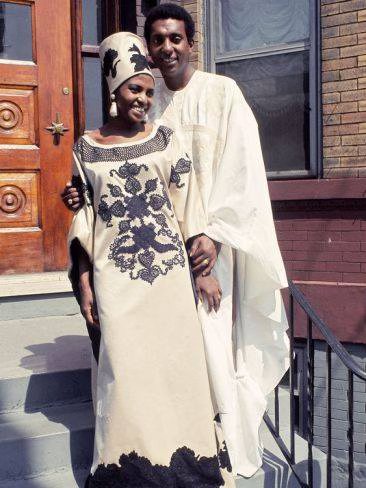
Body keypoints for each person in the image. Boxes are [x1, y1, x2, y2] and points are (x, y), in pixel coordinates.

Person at [63, 3, 290, 479]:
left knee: (205, 361)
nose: (167, 48)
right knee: (136, 371)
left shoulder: (222, 93)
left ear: (192, 43)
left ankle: (212, 452)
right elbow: (94, 197)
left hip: (208, 252)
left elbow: (240, 174)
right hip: (129, 273)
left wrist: (214, 244)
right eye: (158, 40)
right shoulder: (143, 99)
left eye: (176, 39)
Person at [68, 32, 234, 487]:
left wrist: (204, 273)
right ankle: (130, 470)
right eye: (133, 89)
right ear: (114, 91)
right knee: (125, 376)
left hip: (167, 281)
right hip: (115, 282)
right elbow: (84, 219)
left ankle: (185, 464)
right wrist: (84, 285)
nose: (143, 98)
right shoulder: (85, 148)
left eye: (147, 90)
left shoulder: (164, 140)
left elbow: (189, 209)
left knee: (174, 371)